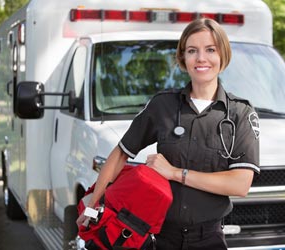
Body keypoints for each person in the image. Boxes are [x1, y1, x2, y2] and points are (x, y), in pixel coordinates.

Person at [76, 18, 260, 250]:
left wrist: (174, 173)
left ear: (223, 54)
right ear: (183, 57)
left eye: (210, 49)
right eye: (192, 50)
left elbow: (240, 184)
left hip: (209, 238)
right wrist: (94, 205)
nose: (201, 58)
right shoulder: (162, 105)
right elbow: (120, 154)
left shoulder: (240, 113)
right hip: (159, 237)